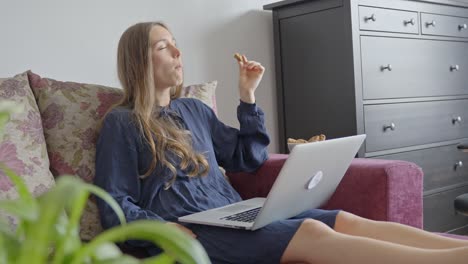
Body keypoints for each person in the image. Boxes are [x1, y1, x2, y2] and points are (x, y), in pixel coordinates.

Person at [94, 21, 468, 264]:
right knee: (314, 233)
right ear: (138, 61)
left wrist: (248, 97)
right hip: (190, 232)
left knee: (344, 220)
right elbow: (115, 202)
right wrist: (162, 228)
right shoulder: (123, 123)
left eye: (176, 44)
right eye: (164, 47)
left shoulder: (193, 109)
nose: (178, 53)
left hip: (234, 216)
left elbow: (248, 157)